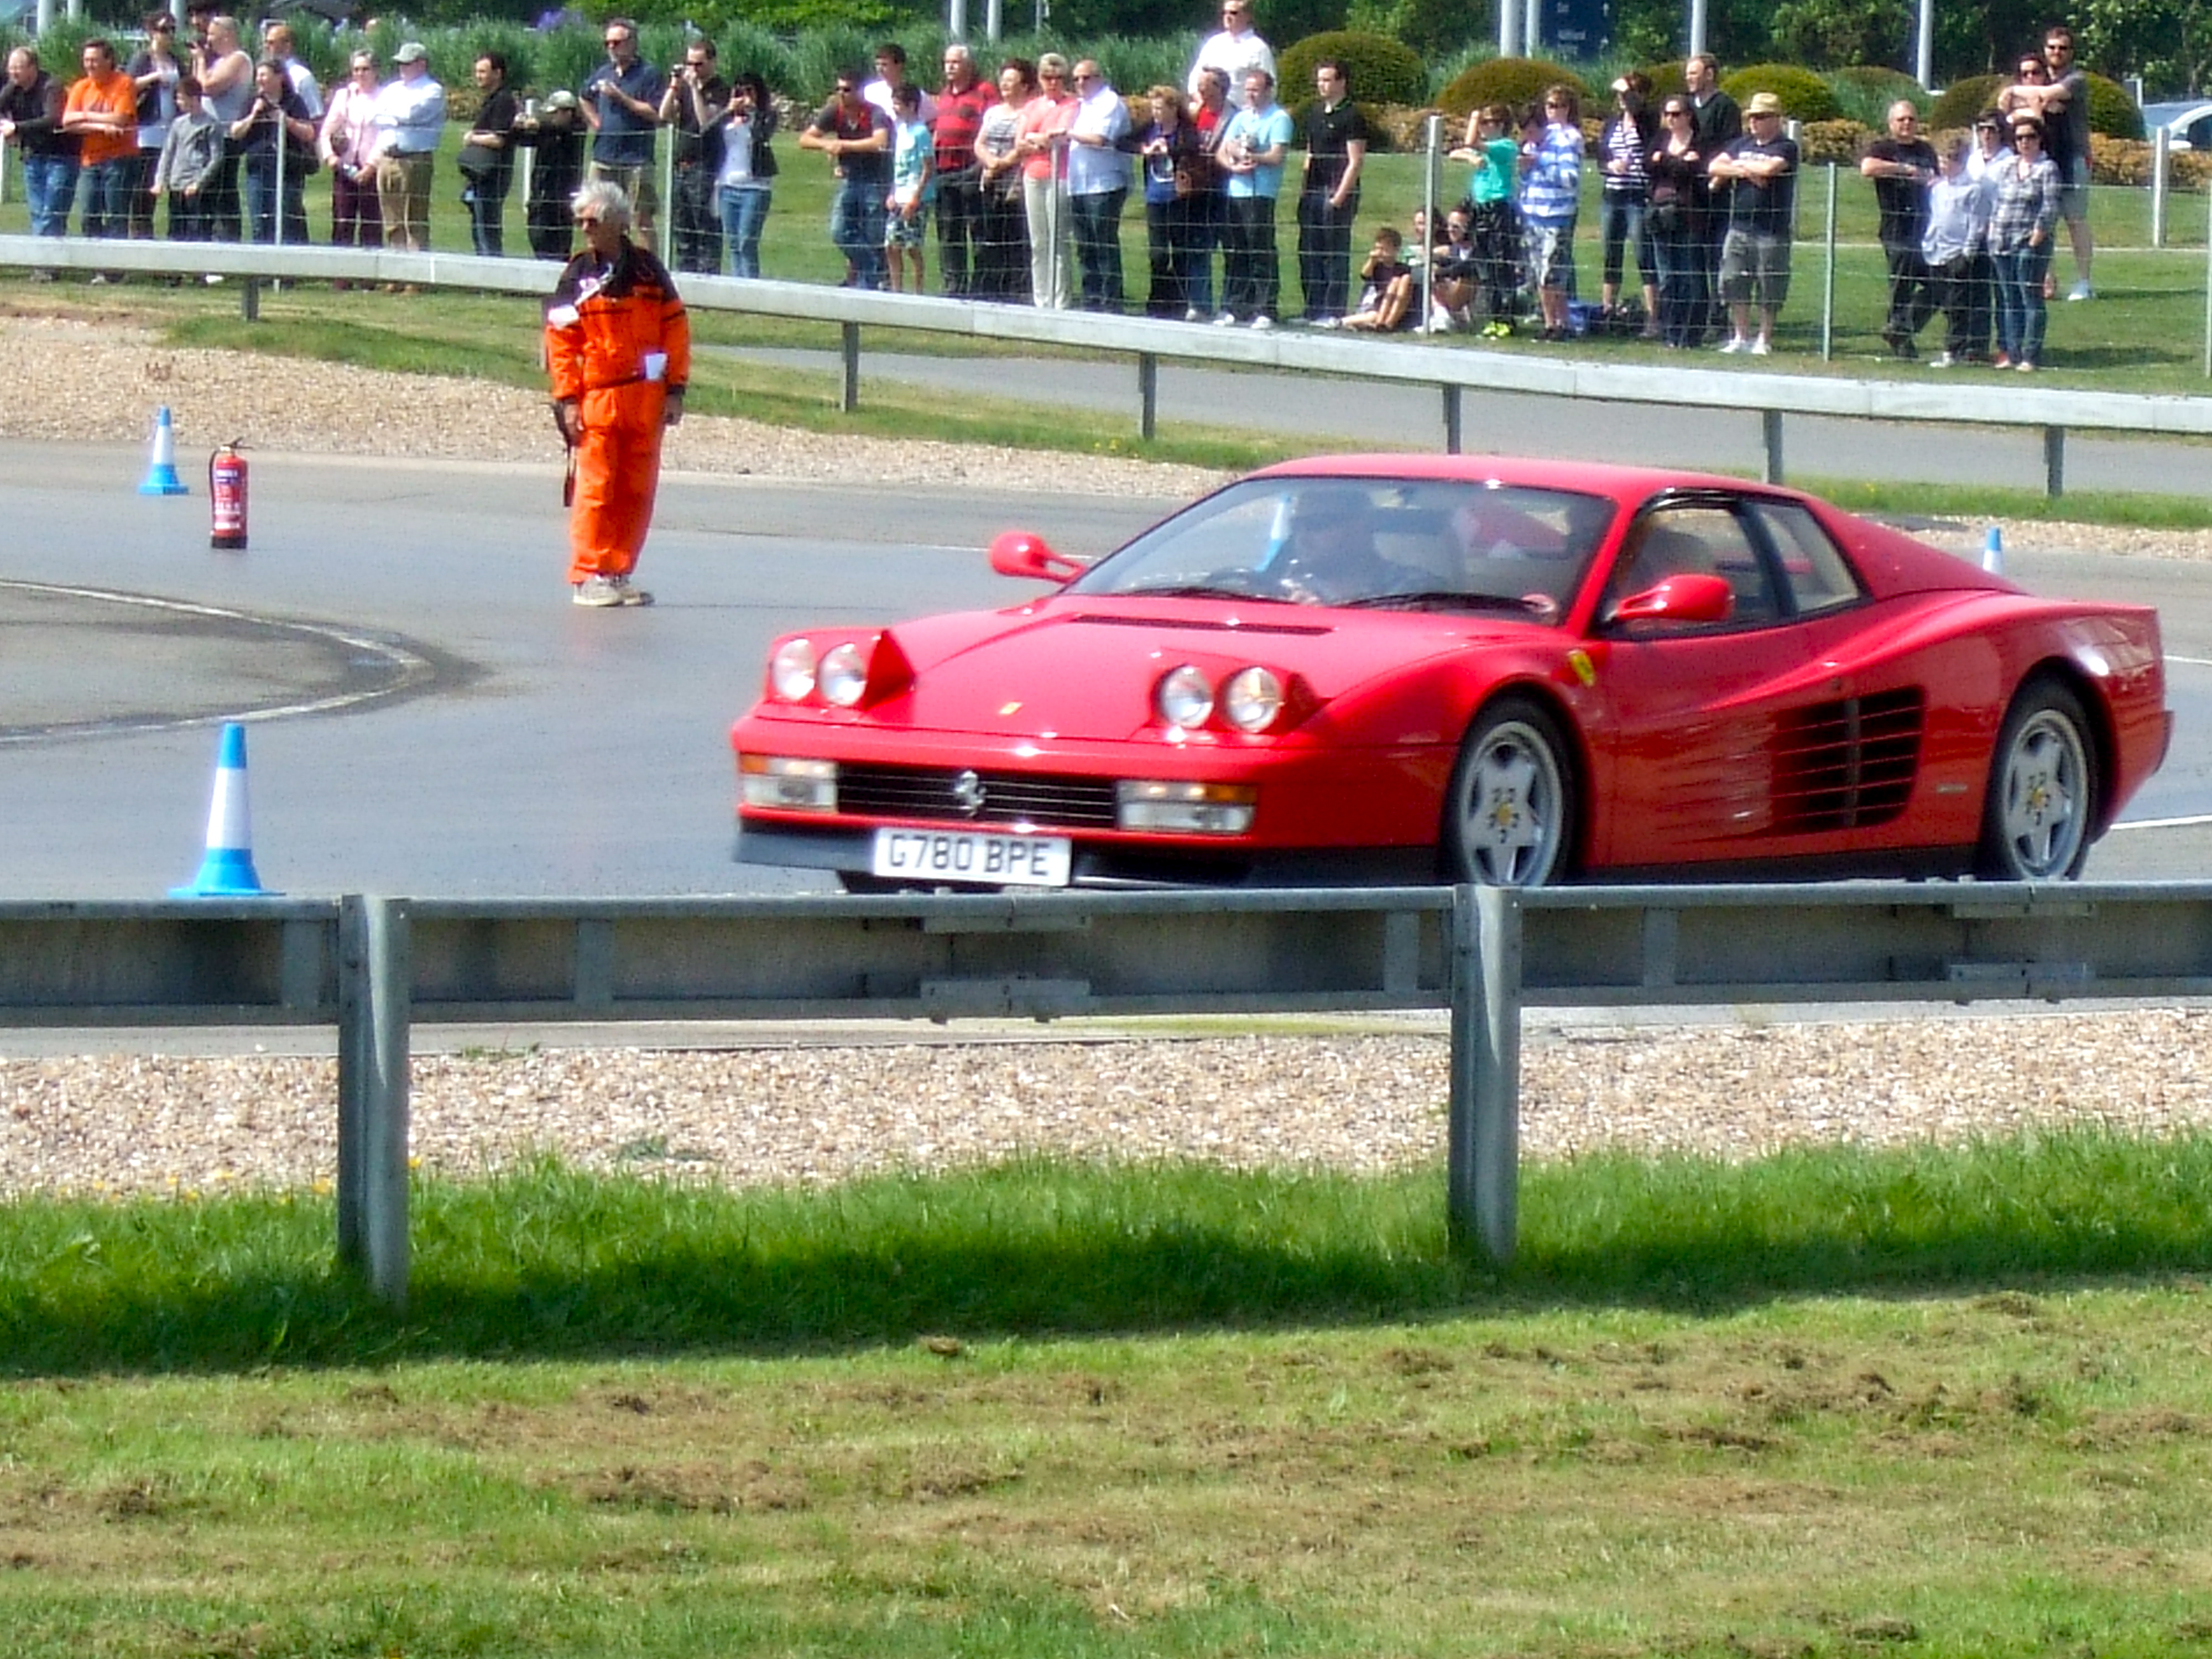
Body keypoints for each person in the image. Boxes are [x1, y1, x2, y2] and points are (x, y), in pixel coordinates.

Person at [545, 181, 689, 609]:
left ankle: (617, 571)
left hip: (645, 399)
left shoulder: (649, 272)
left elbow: (676, 329)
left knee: (636, 490)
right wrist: (568, 399)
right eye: (581, 221)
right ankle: (588, 573)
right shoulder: (576, 275)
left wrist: (676, 389)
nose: (586, 228)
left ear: (619, 223)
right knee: (596, 489)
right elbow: (561, 341)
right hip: (599, 398)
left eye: (594, 220)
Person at [1708, 90, 1796, 355]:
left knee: (1769, 284)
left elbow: (1770, 170)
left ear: (1775, 119)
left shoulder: (1785, 146)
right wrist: (1745, 170)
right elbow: (1714, 166)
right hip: (1739, 226)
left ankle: (1764, 339)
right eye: (1752, 117)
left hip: (1772, 229)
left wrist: (1737, 170)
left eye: (1761, 117)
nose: (1754, 122)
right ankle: (1740, 337)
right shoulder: (1741, 144)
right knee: (1734, 280)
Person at [799, 67, 893, 291]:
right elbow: (805, 138)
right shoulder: (835, 111)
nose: (842, 93)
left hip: (875, 179)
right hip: (850, 179)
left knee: (874, 234)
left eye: (847, 89)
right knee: (839, 230)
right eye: (839, 89)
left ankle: (870, 282)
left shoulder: (875, 113)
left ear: (860, 91)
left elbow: (880, 141)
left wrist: (844, 146)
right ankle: (872, 271)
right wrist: (827, 144)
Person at [1217, 66, 1292, 328]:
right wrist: (1233, 164)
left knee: (1261, 250)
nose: (1251, 95)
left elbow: (1276, 156)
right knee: (1236, 250)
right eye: (1248, 90)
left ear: (1268, 91)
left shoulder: (1279, 118)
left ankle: (1265, 308)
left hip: (1261, 193)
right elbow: (1223, 150)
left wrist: (1254, 157)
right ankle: (1236, 306)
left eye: (1256, 90)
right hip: (1236, 190)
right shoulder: (1241, 117)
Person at [1861, 99, 1937, 358]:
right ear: (1891, 123)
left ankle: (1900, 328)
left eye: (1911, 119)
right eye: (1901, 120)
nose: (1907, 124)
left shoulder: (1926, 149)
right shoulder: (1883, 147)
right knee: (1902, 283)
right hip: (1896, 229)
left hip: (1926, 228)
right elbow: (1867, 168)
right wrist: (1904, 169)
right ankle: (1901, 336)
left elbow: (1936, 178)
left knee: (1939, 284)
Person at [582, 18, 665, 243]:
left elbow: (656, 113)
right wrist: (596, 121)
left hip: (636, 160)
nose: (611, 47)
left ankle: (648, 271)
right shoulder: (603, 73)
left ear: (632, 43)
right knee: (595, 216)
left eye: (617, 42)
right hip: (603, 158)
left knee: (641, 219)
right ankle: (599, 266)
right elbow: (584, 97)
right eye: (607, 43)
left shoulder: (649, 74)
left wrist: (621, 97)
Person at [1296, 59, 1366, 326]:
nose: (1322, 85)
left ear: (1341, 82)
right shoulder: (1315, 113)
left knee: (1334, 251)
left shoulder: (1352, 116)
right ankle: (1312, 308)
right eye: (1320, 80)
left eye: (1328, 80)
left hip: (1336, 189)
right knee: (1310, 251)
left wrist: (1340, 196)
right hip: (1314, 188)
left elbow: (1356, 160)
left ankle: (1333, 310)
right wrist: (1304, 188)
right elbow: (1310, 152)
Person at [1988, 113, 2059, 371]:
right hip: (2001, 241)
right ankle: (2013, 352)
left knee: (2030, 297)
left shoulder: (2047, 168)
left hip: (2029, 243)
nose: (2025, 142)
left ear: (2040, 139)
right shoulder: (2008, 166)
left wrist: (2036, 238)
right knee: (2009, 300)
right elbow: (1997, 202)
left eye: (2030, 137)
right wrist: (1992, 231)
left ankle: (2031, 354)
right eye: (2019, 138)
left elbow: (2050, 207)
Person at [1921, 133, 1992, 369]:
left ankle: (1954, 351)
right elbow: (1936, 219)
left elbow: (1976, 224)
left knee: (1957, 306)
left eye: (1949, 160)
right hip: (1938, 253)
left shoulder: (1973, 190)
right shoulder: (1939, 189)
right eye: (1942, 160)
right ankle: (1954, 348)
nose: (1943, 165)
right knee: (1945, 304)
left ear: (1960, 162)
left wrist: (1968, 254)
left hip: (1958, 255)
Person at [368, 42, 444, 265]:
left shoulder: (433, 90)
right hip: (387, 158)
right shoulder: (392, 89)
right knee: (391, 219)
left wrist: (391, 116)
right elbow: (375, 116)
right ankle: (396, 270)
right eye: (400, 63)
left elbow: (413, 114)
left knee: (414, 218)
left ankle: (416, 273)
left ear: (422, 64)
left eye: (407, 63)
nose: (402, 67)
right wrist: (396, 118)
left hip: (415, 159)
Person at [1066, 59, 1131, 312]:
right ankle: (1091, 299)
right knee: (1085, 245)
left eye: (1087, 77)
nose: (1081, 83)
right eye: (1077, 79)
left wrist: (1068, 133)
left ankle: (1111, 301)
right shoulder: (1081, 106)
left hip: (1104, 183)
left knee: (1104, 243)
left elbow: (1100, 139)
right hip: (1080, 183)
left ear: (1099, 78)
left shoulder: (1109, 103)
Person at [1013, 53, 1078, 308]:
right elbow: (1019, 142)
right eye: (1047, 77)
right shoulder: (1032, 106)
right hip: (1033, 175)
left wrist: (1037, 139)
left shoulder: (1071, 105)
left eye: (1058, 78)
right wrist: (1037, 140)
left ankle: (1061, 301)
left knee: (1058, 241)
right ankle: (1041, 299)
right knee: (1038, 242)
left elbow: (1057, 139)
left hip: (1058, 176)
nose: (1052, 83)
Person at [658, 37, 727, 275]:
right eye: (690, 64)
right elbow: (664, 115)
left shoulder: (720, 90)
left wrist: (697, 90)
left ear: (712, 62)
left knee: (705, 225)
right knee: (683, 226)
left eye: (699, 64)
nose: (694, 70)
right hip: (682, 166)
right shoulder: (685, 87)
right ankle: (685, 274)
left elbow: (705, 122)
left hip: (705, 166)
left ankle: (709, 275)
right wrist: (674, 85)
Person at [1450, 102, 1520, 335]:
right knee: (1486, 266)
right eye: (1481, 123)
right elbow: (1456, 152)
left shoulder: (1505, 146)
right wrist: (1470, 159)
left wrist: (1473, 117)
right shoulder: (1486, 148)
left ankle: (1506, 318)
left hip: (1498, 209)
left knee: (1502, 265)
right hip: (1480, 209)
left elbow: (1470, 143)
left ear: (1500, 125)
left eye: (1486, 123)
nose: (1482, 127)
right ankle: (1493, 317)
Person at [1597, 72, 1659, 336]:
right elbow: (1602, 153)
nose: (1622, 99)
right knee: (1612, 254)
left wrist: (1626, 90)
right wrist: (1610, 165)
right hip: (1613, 194)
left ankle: (1653, 318)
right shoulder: (1613, 123)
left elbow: (1640, 113)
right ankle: (1607, 310)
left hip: (1638, 195)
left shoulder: (1647, 121)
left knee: (1644, 255)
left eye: (1628, 94)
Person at [2, 46, 78, 261]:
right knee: (37, 212)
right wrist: (6, 126)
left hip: (61, 157)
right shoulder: (13, 88)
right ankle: (44, 261)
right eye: (11, 68)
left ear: (33, 68)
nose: (14, 73)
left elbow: (53, 119)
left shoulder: (51, 86)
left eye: (19, 68)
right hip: (32, 156)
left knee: (52, 211)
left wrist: (17, 128)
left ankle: (46, 263)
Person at [1520, 84, 1583, 342]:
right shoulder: (1530, 146)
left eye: (1532, 130)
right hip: (1533, 215)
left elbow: (1570, 179)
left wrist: (1541, 163)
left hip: (1557, 215)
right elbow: (1526, 181)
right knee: (1539, 272)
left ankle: (1553, 324)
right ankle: (1560, 322)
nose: (1529, 135)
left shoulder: (1565, 142)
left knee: (1551, 273)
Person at [64, 39, 139, 253]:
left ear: (109, 60)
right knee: (89, 213)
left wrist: (84, 118)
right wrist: (98, 123)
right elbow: (68, 122)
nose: (89, 65)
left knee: (116, 213)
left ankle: (114, 267)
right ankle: (94, 260)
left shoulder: (124, 83)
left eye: (95, 60)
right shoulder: (82, 87)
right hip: (90, 160)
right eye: (87, 60)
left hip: (119, 159)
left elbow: (121, 119)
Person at [932, 44, 995, 298]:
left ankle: (982, 285)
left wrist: (982, 165)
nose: (949, 67)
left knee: (978, 228)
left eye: (955, 62)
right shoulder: (945, 94)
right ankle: (954, 285)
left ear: (968, 65)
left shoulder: (984, 91)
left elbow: (994, 126)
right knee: (948, 231)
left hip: (971, 168)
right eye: (947, 62)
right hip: (944, 169)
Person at [1683, 53, 1738, 343]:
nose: (1690, 78)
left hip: (1716, 193)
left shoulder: (1725, 107)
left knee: (1717, 257)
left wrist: (1719, 179)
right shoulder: (1686, 107)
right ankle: (1697, 315)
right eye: (1688, 74)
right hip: (1690, 195)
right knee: (1694, 257)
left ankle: (1720, 317)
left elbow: (1732, 146)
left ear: (1710, 75)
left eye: (1695, 73)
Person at [1645, 94, 1708, 349]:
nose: (1671, 119)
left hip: (1688, 217)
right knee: (1668, 278)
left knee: (1689, 276)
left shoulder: (1700, 143)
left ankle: (1690, 334)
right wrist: (1675, 162)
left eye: (1676, 114)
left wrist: (1666, 162)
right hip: (1660, 215)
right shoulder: (1660, 139)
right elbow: (1647, 164)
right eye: (1667, 114)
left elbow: (1690, 171)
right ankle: (1670, 332)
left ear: (1688, 116)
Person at [231, 56, 314, 247]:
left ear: (279, 77)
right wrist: (253, 114)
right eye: (258, 75)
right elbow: (235, 132)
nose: (259, 79)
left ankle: (287, 271)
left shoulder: (293, 101)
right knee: (260, 222)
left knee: (286, 221)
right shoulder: (252, 101)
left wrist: (286, 121)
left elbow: (309, 133)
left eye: (264, 75)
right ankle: (262, 272)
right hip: (257, 171)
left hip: (288, 171)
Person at [973, 58, 1033, 302]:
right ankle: (993, 288)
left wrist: (1001, 165)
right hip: (990, 181)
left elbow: (1023, 148)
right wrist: (989, 163)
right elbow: (979, 143)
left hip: (1016, 184)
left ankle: (1018, 290)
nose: (1005, 84)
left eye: (1011, 80)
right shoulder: (993, 112)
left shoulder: (1028, 114)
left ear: (1025, 86)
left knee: (1016, 237)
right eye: (1003, 80)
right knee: (991, 236)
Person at [2041, 25, 2094, 300]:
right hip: (2042, 160)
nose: (2057, 52)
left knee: (2076, 221)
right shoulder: (2035, 78)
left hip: (2073, 158)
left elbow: (2048, 95)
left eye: (2062, 48)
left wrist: (2024, 93)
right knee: (2043, 222)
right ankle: (2047, 281)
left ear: (2070, 52)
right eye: (2052, 47)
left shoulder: (2077, 80)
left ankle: (2084, 282)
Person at [190, 14, 252, 243]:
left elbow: (207, 87)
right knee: (205, 192)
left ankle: (227, 244)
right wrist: (201, 61)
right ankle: (204, 243)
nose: (208, 40)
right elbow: (198, 88)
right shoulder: (217, 61)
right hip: (207, 134)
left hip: (226, 137)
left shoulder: (238, 60)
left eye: (212, 35)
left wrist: (200, 60)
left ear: (228, 35)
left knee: (223, 192)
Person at [319, 49, 382, 266]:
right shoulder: (344, 96)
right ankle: (341, 272)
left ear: (376, 71)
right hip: (344, 165)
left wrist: (371, 166)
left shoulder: (384, 97)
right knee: (342, 219)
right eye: (356, 69)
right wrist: (329, 156)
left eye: (366, 69)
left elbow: (385, 136)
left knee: (371, 221)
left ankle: (369, 274)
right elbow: (327, 130)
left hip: (371, 167)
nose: (361, 74)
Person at [711, 72, 775, 279]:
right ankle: (737, 285)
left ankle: (750, 286)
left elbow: (762, 135)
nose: (744, 96)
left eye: (749, 91)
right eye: (740, 91)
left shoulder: (767, 115)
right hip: (728, 185)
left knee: (747, 240)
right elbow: (705, 132)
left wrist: (753, 113)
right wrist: (728, 111)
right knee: (734, 242)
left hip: (755, 187)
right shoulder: (728, 117)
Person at [125, 12, 183, 241]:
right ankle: (141, 238)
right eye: (163, 29)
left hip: (173, 131)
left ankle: (176, 239)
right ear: (151, 32)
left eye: (172, 29)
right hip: (147, 131)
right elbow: (128, 86)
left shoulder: (176, 60)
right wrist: (154, 77)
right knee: (145, 189)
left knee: (176, 187)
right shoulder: (142, 59)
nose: (169, 34)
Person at [457, 53, 518, 258]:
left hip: (494, 173)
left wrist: (472, 138)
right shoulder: (492, 100)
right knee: (479, 223)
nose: (478, 76)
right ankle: (483, 267)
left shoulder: (503, 101)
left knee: (488, 226)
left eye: (483, 72)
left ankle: (493, 269)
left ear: (498, 73)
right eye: (477, 72)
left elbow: (498, 139)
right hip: (481, 174)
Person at [151, 74, 222, 243]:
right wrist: (160, 180)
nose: (178, 102)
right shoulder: (178, 124)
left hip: (197, 188)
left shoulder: (211, 125)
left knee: (198, 230)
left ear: (195, 98)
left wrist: (199, 183)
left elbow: (216, 157)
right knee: (176, 229)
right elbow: (168, 153)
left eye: (181, 98)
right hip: (177, 185)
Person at [1185, 66, 1233, 320]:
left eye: (1207, 84)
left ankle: (1229, 305)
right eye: (1199, 84)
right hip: (1197, 191)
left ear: (1220, 88)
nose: (1201, 89)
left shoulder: (1233, 115)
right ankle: (1199, 303)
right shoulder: (1194, 114)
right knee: (1198, 248)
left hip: (1223, 189)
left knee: (1229, 248)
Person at [516, 88, 586, 262]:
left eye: (555, 113)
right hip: (541, 193)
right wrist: (518, 127)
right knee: (537, 236)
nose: (552, 117)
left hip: (562, 197)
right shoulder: (550, 132)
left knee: (559, 244)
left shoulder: (575, 129)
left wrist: (539, 124)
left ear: (568, 112)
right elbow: (524, 140)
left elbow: (559, 129)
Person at [885, 81, 934, 294]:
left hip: (917, 198)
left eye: (898, 104)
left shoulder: (921, 132)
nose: (895, 108)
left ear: (912, 105)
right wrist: (892, 192)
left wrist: (916, 198)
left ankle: (918, 292)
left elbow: (928, 168)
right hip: (899, 195)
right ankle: (896, 290)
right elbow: (898, 166)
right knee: (891, 245)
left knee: (912, 247)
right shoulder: (901, 130)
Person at [1187, 0, 1273, 100]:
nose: (1227, 17)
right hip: (1210, 110)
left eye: (1233, 13)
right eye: (1225, 13)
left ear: (1247, 16)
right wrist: (1201, 102)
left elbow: (1270, 88)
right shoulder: (1214, 43)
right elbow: (1195, 77)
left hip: (1241, 111)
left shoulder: (1259, 48)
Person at [1342, 226, 1415, 331]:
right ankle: (1343, 321)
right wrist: (1372, 260)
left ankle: (1387, 323)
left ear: (1396, 250)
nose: (1380, 253)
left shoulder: (1403, 268)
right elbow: (1365, 275)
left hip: (1393, 303)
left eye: (1384, 250)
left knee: (1398, 281)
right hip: (1376, 303)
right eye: (1378, 249)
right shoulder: (1377, 266)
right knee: (1373, 316)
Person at [862, 41, 935, 127]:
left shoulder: (916, 94)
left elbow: (933, 120)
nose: (880, 69)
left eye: (885, 65)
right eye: (877, 65)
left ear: (899, 66)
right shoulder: (870, 92)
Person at [260, 22, 320, 120]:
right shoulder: (261, 76)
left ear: (287, 45)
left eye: (271, 43)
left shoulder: (302, 76)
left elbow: (315, 115)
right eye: (266, 42)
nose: (266, 47)